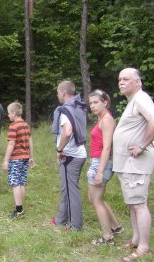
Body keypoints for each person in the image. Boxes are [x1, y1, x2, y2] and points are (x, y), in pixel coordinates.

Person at [113, 68, 154, 262]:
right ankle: (135, 240)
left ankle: (144, 247)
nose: (121, 82)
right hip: (128, 163)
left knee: (139, 204)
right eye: (119, 79)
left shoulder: (141, 98)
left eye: (126, 79)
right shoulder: (133, 100)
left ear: (137, 82)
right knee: (133, 204)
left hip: (136, 163)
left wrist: (142, 145)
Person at [87, 89, 123, 245]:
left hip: (102, 162)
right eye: (90, 103)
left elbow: (107, 147)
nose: (92, 106)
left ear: (105, 103)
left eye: (96, 102)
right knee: (95, 199)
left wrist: (100, 171)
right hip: (97, 161)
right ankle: (116, 226)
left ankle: (107, 237)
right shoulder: (101, 118)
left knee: (96, 200)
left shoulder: (107, 120)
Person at [50, 80, 87, 231]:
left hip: (70, 156)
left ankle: (75, 226)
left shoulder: (65, 110)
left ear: (63, 93)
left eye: (58, 92)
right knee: (67, 188)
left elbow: (67, 131)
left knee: (72, 191)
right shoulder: (78, 106)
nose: (58, 94)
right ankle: (61, 218)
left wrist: (59, 150)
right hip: (79, 153)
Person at [2, 102, 34, 219]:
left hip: (16, 159)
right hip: (25, 157)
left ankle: (18, 209)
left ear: (14, 113)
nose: (8, 115)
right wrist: (30, 157)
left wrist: (6, 160)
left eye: (9, 113)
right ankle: (20, 206)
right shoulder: (25, 125)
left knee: (15, 183)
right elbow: (30, 141)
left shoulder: (13, 126)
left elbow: (11, 143)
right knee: (22, 182)